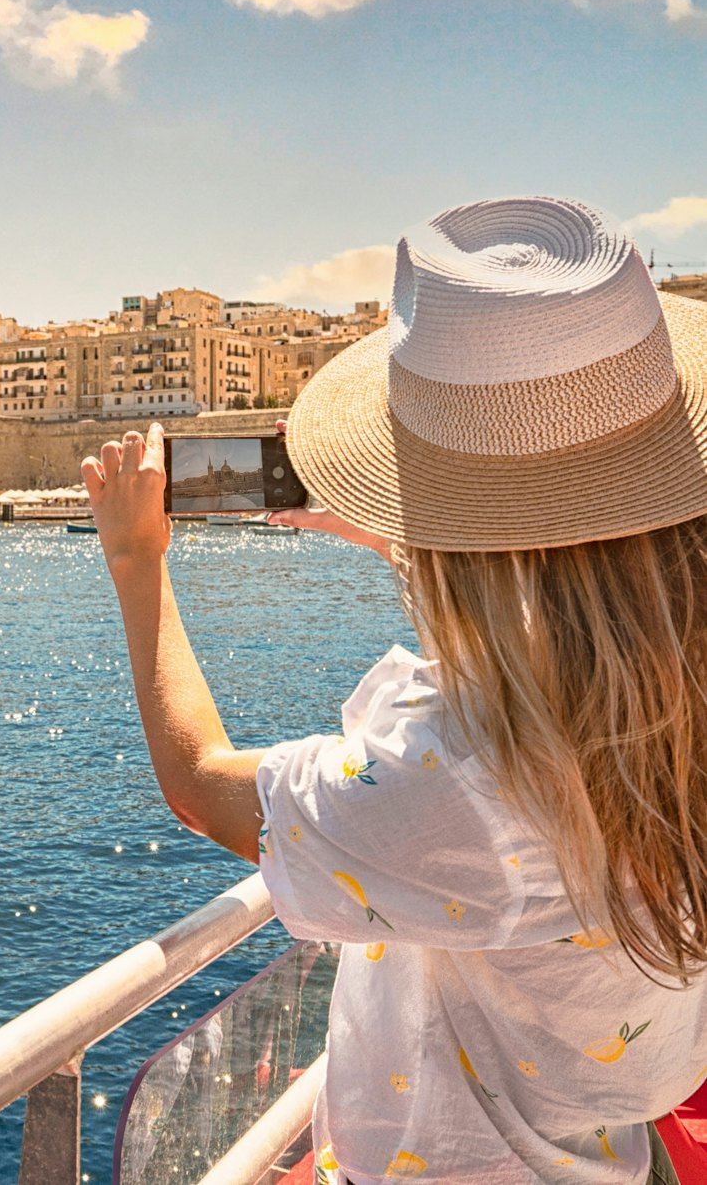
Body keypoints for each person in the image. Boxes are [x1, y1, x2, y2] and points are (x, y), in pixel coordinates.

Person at [81, 197, 707, 1184]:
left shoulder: (467, 777)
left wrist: (135, 560)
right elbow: (567, 612)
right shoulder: (677, 706)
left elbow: (201, 782)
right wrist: (412, 527)